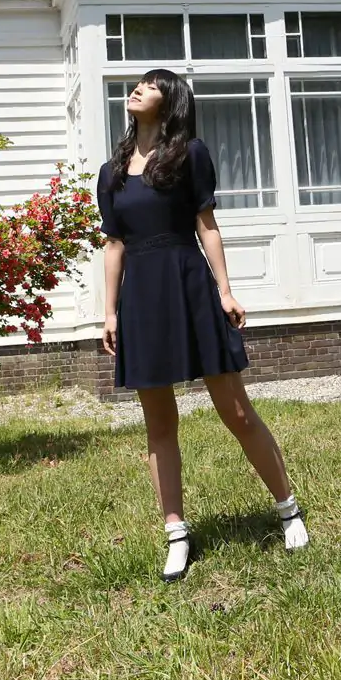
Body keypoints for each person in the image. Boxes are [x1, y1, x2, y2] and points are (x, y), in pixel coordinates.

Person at [97, 68, 309, 582]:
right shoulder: (112, 172)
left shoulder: (191, 154)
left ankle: (288, 510)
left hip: (189, 284)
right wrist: (109, 311)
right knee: (159, 424)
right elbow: (114, 244)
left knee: (236, 411)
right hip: (142, 298)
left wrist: (225, 290)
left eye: (150, 85)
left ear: (170, 102)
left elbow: (206, 225)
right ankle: (176, 534)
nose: (136, 88)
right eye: (137, 84)